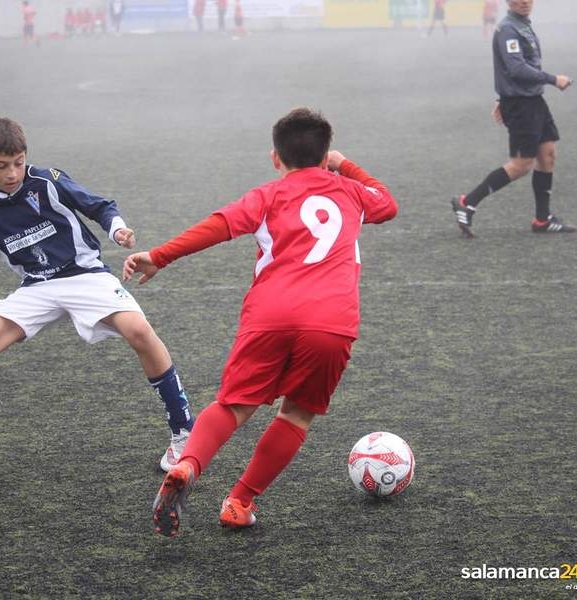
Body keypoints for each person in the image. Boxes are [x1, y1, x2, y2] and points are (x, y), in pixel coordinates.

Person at [123, 108, 399, 536]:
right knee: (297, 414)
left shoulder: (268, 195)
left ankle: (188, 466)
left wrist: (158, 256)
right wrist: (346, 166)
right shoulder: (352, 192)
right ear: (326, 155)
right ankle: (240, 501)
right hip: (332, 321)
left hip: (270, 315)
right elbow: (388, 202)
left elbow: (216, 226)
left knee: (234, 404)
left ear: (276, 158)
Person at [0, 118, 194, 481]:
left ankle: (185, 433)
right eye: (1, 166)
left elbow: (97, 205)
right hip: (38, 287)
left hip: (84, 275)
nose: (12, 173)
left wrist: (117, 228)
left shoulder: (47, 180)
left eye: (18, 162)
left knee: (139, 331)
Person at [451, 0, 575, 237]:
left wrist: (502, 95)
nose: (524, 2)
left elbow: (510, 69)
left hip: (533, 101)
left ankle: (542, 220)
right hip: (521, 105)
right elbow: (516, 68)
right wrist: (552, 79)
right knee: (521, 165)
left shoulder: (522, 25)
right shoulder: (508, 28)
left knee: (547, 154)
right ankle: (467, 202)